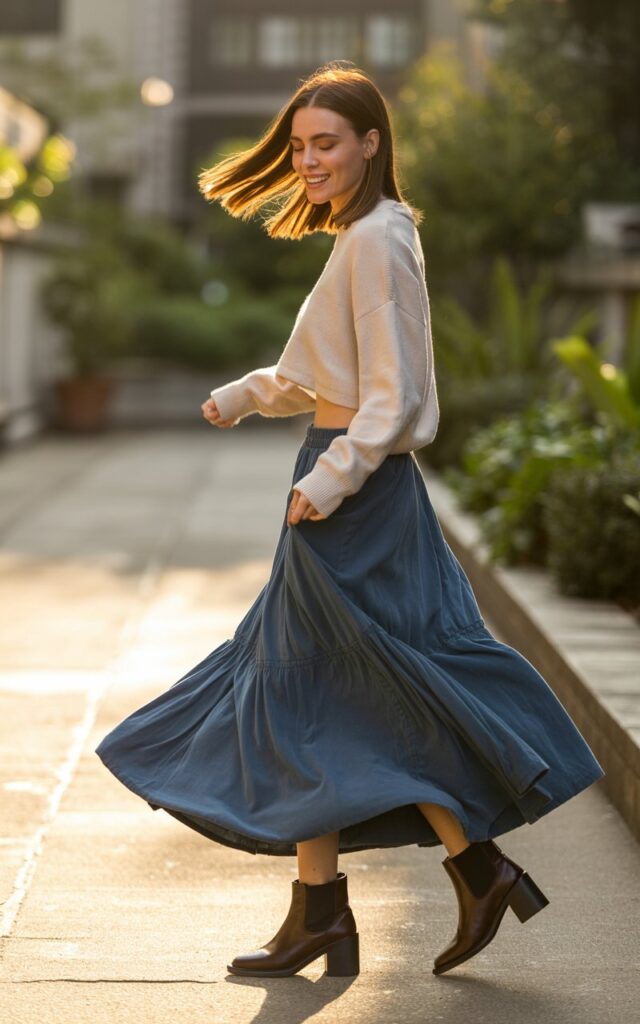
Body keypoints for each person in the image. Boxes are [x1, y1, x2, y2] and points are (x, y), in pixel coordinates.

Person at [94, 61, 605, 980]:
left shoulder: (379, 239)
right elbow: (323, 372)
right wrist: (248, 395)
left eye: (325, 143)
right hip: (344, 480)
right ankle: (354, 902)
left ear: (372, 143)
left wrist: (331, 480)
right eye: (298, 146)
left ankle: (433, 881)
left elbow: (392, 392)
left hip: (355, 493)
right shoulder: (365, 238)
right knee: (319, 692)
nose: (308, 160)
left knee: (345, 686)